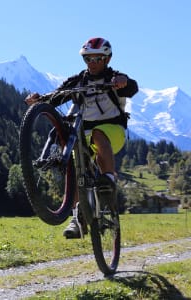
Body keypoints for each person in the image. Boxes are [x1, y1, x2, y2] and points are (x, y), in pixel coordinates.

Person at [25, 37, 138, 238]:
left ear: (107, 59)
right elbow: (58, 95)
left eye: (97, 59)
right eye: (88, 59)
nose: (92, 63)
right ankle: (78, 219)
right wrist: (39, 100)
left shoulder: (114, 77)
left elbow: (132, 87)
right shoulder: (79, 80)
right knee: (76, 173)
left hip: (113, 132)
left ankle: (109, 179)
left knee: (98, 133)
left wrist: (123, 83)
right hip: (83, 137)